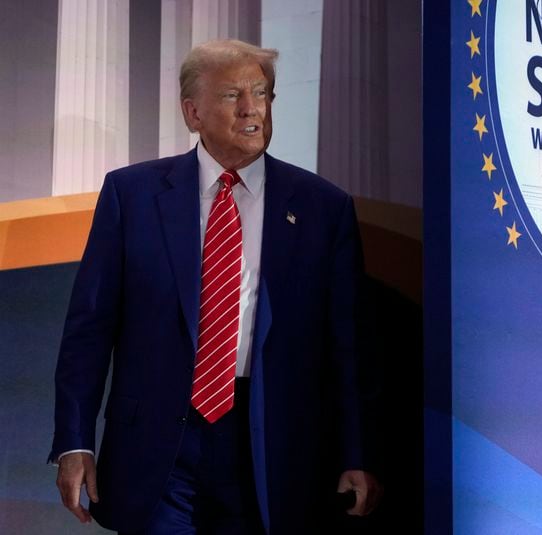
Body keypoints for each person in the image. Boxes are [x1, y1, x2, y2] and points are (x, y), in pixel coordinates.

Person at [49, 39, 381, 534]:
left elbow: (347, 347)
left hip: (271, 443)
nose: (252, 110)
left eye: (262, 94)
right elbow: (89, 329)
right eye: (231, 96)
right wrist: (75, 441)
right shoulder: (132, 195)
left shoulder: (322, 207)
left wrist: (357, 451)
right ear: (193, 112)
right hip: (158, 444)